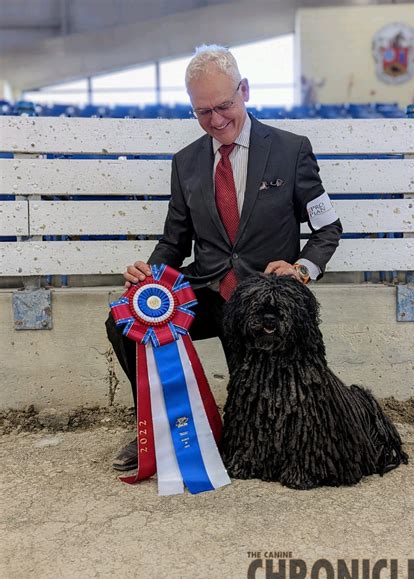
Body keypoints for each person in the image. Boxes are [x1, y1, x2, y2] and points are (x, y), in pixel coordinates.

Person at [106, 45, 343, 472]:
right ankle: (156, 427)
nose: (215, 121)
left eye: (223, 106)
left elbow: (328, 228)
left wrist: (301, 270)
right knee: (122, 320)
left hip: (263, 300)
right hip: (208, 293)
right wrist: (149, 275)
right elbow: (174, 242)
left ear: (245, 91)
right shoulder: (185, 163)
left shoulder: (292, 150)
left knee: (252, 424)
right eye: (202, 112)